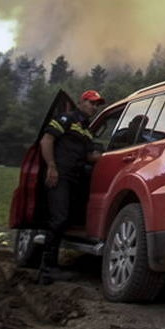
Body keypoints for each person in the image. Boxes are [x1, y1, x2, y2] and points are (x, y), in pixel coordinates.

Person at [38, 89, 106, 285]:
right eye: (91, 103)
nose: (94, 107)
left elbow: (89, 156)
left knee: (66, 219)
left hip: (75, 178)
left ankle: (51, 267)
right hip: (59, 175)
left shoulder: (86, 130)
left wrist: (107, 157)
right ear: (81, 102)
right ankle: (47, 270)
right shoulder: (66, 119)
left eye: (96, 105)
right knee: (58, 219)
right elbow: (47, 140)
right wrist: (51, 166)